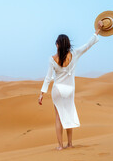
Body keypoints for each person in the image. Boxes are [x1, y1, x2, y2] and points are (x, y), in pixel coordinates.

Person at [38, 20, 104, 151]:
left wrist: (42, 94)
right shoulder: (74, 54)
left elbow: (48, 77)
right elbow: (88, 44)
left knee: (58, 117)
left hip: (57, 90)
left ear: (57, 45)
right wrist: (98, 30)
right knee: (69, 114)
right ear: (68, 44)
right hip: (70, 90)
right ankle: (70, 143)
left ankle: (60, 146)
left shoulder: (52, 59)